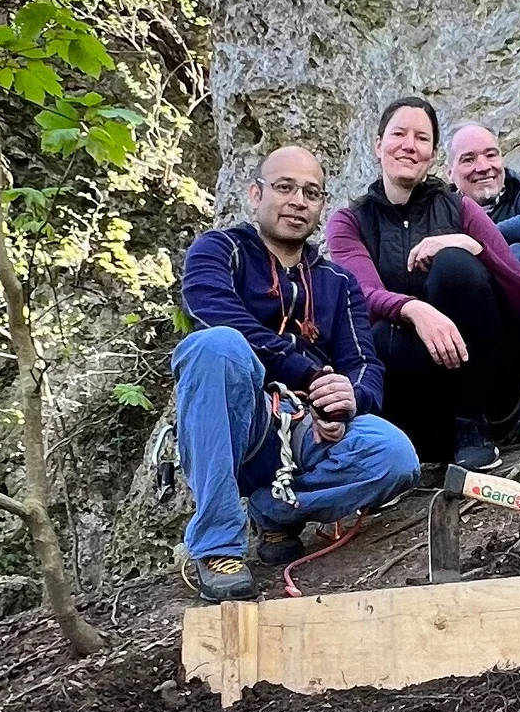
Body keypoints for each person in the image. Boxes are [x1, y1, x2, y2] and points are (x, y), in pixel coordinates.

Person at [175, 145, 419, 602]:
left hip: (309, 427)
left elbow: (365, 364)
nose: (298, 201)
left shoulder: (338, 282)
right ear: (256, 194)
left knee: (395, 456)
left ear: (322, 204)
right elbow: (216, 312)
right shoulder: (219, 251)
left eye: (311, 192)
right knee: (216, 346)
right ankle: (217, 546)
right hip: (239, 419)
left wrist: (346, 400)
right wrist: (309, 376)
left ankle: (274, 511)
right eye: (285, 187)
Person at [326, 98, 520, 471]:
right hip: (405, 382)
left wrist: (473, 247)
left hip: (480, 380)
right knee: (378, 332)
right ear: (378, 146)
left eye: (422, 138)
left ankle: (471, 427)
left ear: (432, 155)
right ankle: (401, 448)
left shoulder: (461, 209)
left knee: (455, 265)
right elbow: (364, 295)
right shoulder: (350, 221)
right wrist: (415, 310)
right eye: (399, 134)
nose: (409, 145)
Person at [447, 121, 520, 420]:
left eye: (491, 155)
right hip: (475, 337)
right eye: (468, 159)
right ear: (450, 172)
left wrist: (478, 241)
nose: (483, 167)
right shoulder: (440, 210)